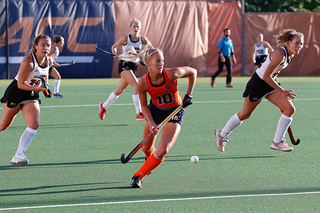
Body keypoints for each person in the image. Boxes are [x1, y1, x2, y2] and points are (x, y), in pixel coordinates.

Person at [214, 29, 304, 153]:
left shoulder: (290, 55)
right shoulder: (280, 54)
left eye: (301, 44)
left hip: (269, 85)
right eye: (296, 43)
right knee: (244, 115)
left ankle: (277, 142)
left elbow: (271, 76)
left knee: (289, 109)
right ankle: (221, 134)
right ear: (289, 42)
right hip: (258, 84)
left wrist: (278, 90)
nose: (299, 46)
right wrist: (282, 91)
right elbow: (266, 76)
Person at [130, 48, 197, 188]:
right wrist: (152, 123)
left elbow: (193, 72)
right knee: (147, 148)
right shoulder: (143, 83)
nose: (161, 63)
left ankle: (138, 176)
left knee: (162, 150)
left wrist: (188, 95)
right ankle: (149, 161)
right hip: (154, 111)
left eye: (162, 60)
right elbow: (143, 106)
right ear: (148, 62)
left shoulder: (172, 74)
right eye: (158, 61)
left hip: (175, 112)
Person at [0, 34, 53, 166]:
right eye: (43, 45)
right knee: (3, 126)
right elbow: (21, 84)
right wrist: (41, 89)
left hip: (32, 95)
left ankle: (18, 155)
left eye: (48, 45)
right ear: (36, 46)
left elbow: (44, 78)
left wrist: (45, 89)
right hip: (17, 93)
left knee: (34, 124)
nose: (46, 48)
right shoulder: (28, 61)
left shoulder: (48, 61)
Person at [99, 18, 152, 121]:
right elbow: (114, 46)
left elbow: (150, 48)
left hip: (133, 66)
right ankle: (138, 113)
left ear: (140, 29)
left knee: (119, 90)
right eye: (134, 26)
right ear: (130, 28)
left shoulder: (143, 39)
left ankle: (103, 106)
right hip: (124, 64)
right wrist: (115, 53)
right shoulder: (125, 39)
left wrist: (145, 61)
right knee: (136, 86)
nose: (136, 28)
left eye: (138, 27)